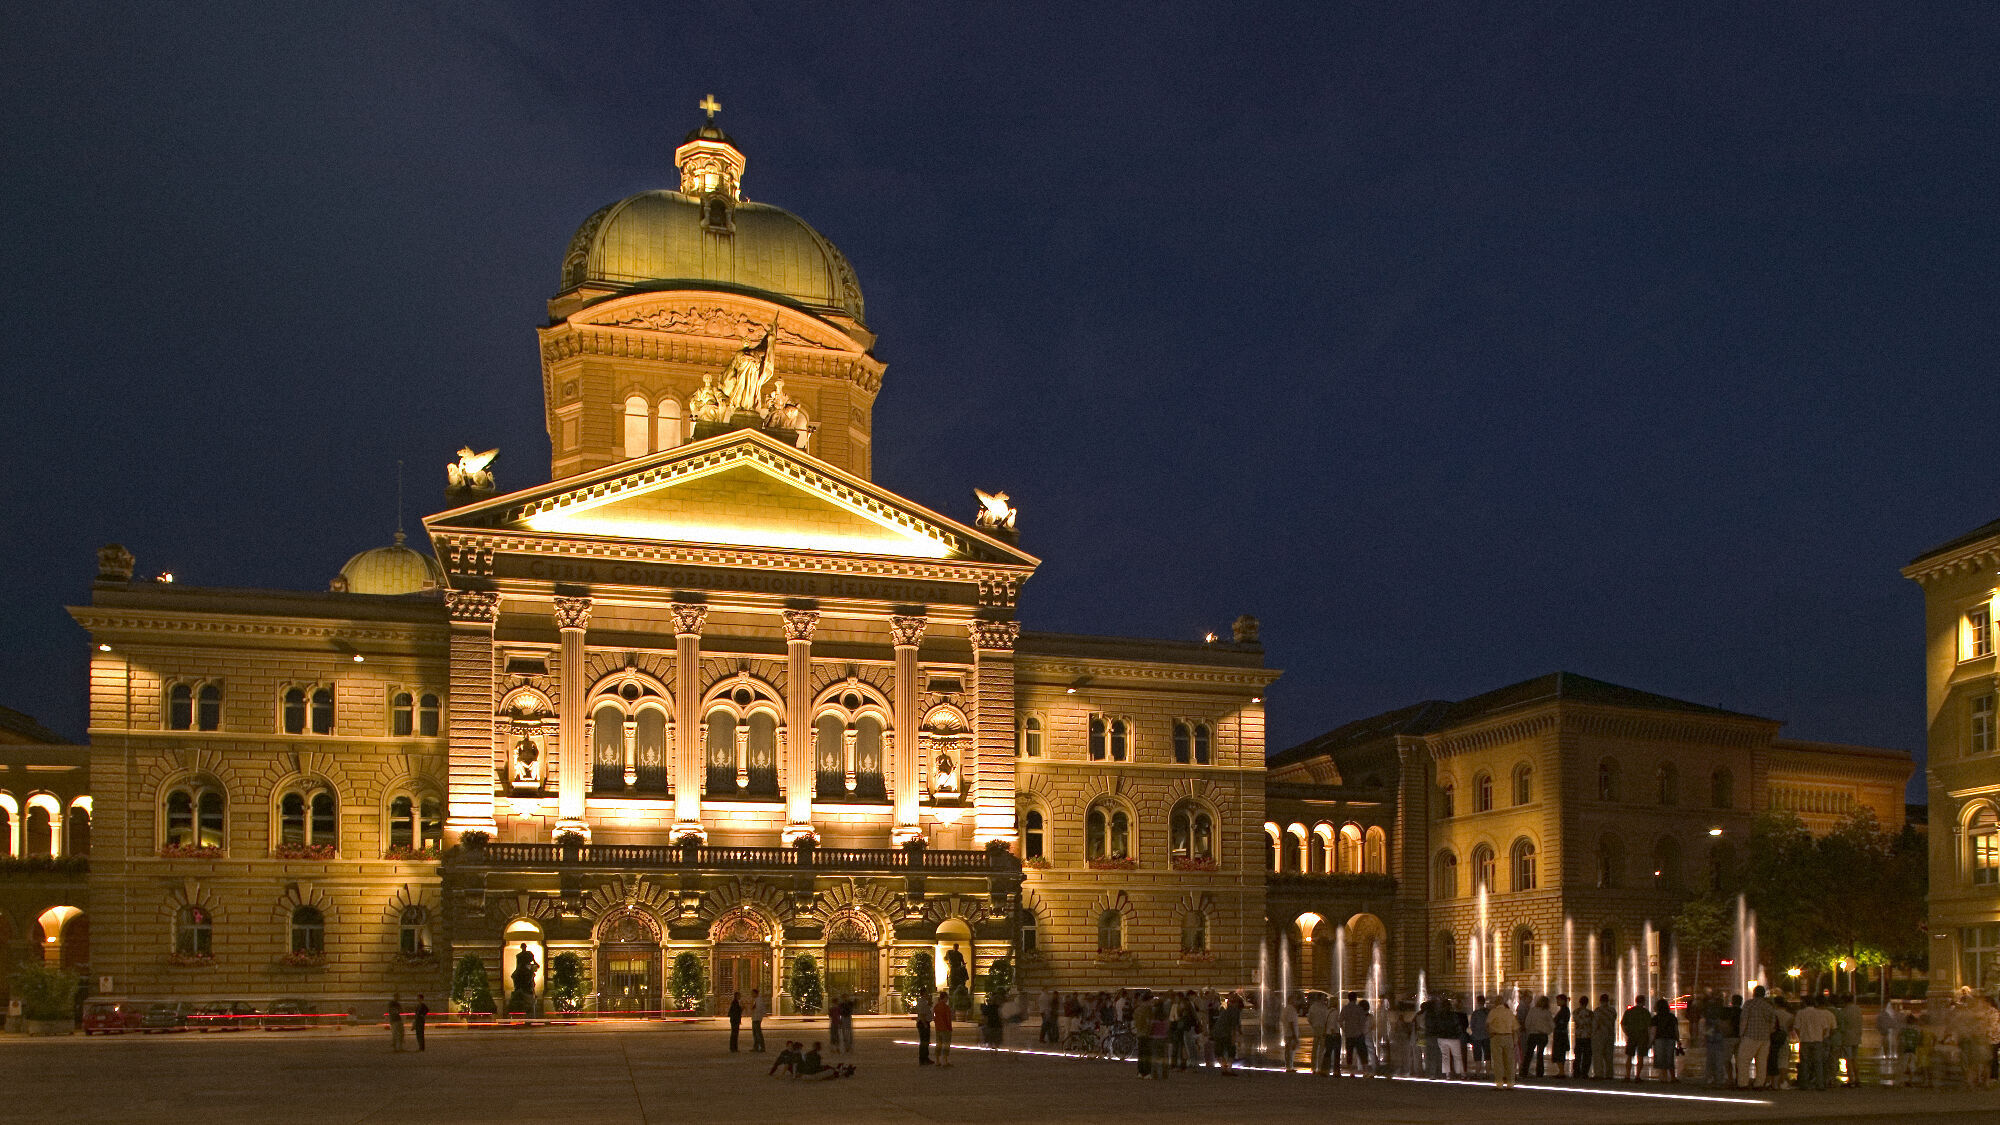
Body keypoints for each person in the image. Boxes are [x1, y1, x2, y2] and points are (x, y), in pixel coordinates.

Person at [1736, 986, 1775, 1088]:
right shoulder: (1768, 1006)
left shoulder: (1749, 1004)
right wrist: (1768, 1033)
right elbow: (1772, 1023)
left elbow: (1744, 1020)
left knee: (1743, 1060)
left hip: (1750, 1035)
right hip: (1765, 1038)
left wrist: (1741, 1034)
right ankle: (1759, 1084)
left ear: (1754, 993)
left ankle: (1743, 1083)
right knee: (1762, 1062)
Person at [1487, 995, 1519, 1088]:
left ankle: (1499, 1083)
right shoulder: (1509, 1012)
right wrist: (1515, 1039)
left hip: (1496, 1037)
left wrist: (1490, 1033)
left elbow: (1487, 1024)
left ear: (1496, 1003)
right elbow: (1516, 1028)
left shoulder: (1493, 1012)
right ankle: (1510, 1083)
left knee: (1498, 1061)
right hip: (1508, 1037)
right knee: (1509, 1061)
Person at [1338, 994, 1372, 1076]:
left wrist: (1344, 1029)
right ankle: (1365, 1072)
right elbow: (1363, 1021)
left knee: (1349, 1053)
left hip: (1349, 1034)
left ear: (1348, 999)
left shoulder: (1345, 1008)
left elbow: (1340, 1020)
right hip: (1358, 1034)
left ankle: (1351, 1072)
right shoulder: (1359, 1009)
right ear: (1356, 999)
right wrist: (1361, 1030)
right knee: (1362, 1053)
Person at [1835, 993, 1863, 1087]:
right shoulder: (1858, 1009)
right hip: (1857, 1036)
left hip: (1847, 1037)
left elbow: (1841, 1026)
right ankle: (1858, 1079)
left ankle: (1851, 1079)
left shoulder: (1844, 1011)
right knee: (1855, 1058)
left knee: (1848, 1059)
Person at [1622, 994, 1652, 1080]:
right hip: (1642, 1036)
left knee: (1629, 1056)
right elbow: (1649, 1027)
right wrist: (1650, 1040)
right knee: (1640, 1056)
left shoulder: (1629, 1011)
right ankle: (1637, 1076)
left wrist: (1627, 1033)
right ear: (1643, 1002)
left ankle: (1627, 1075)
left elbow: (1623, 1025)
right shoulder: (1646, 1012)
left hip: (1632, 1036)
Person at [1522, 995, 1553, 1078]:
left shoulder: (1532, 1011)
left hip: (1533, 1034)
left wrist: (1529, 1030)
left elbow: (1527, 1022)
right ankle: (1539, 1072)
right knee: (1540, 1054)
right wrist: (1547, 1031)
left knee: (1529, 1053)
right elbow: (1552, 1025)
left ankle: (1524, 1071)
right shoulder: (1547, 1012)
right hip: (1542, 1035)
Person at [1651, 997, 1679, 1082]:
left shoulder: (1655, 1018)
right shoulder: (1672, 1017)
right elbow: (1676, 1029)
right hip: (1670, 1039)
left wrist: (1650, 1042)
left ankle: (1664, 1077)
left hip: (1659, 1039)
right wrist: (1678, 1040)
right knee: (1670, 1058)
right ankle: (1673, 1077)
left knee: (1661, 1058)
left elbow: (1653, 1031)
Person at [1591, 994, 1618, 1079]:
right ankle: (1609, 1074)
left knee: (1598, 1055)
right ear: (1608, 1001)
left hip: (1599, 1035)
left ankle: (1599, 1074)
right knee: (1609, 1056)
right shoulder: (1612, 1011)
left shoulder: (1598, 1011)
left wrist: (1592, 1033)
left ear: (1600, 1001)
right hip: (1610, 1034)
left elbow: (1595, 1024)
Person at [1573, 996, 1593, 1081]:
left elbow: (1577, 1021)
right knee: (1587, 1055)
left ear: (1579, 1002)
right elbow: (1592, 1023)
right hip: (1588, 1036)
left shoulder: (1576, 1012)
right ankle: (1585, 1072)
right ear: (1587, 1003)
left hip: (1579, 1036)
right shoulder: (1590, 1013)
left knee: (1578, 1055)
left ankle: (1576, 1072)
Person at [933, 991, 955, 1067]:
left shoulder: (936, 1006)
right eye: (947, 997)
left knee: (938, 1044)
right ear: (945, 998)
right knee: (946, 1044)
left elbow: (934, 1017)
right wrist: (949, 1027)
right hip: (945, 1028)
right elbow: (948, 1019)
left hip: (938, 1028)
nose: (947, 999)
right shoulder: (946, 1007)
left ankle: (937, 1060)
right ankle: (945, 1061)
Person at [1551, 994, 1571, 1078]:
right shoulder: (1564, 1010)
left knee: (1559, 1052)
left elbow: (1560, 1022)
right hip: (1561, 1034)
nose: (1557, 1002)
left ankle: (1562, 1072)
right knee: (1560, 1052)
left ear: (1563, 1001)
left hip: (1560, 1035)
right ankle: (1561, 1071)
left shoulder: (1564, 1010)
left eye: (1558, 1000)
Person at [915, 993, 934, 1065]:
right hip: (923, 1023)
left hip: (923, 1023)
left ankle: (924, 1058)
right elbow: (922, 1015)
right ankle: (923, 1059)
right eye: (927, 993)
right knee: (924, 1042)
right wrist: (925, 1025)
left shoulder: (923, 1002)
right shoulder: (922, 1002)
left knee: (925, 1041)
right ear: (924, 994)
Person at [749, 988, 768, 1052]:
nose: (751, 994)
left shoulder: (759, 1000)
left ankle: (762, 1047)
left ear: (756, 993)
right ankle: (756, 1047)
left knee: (758, 1033)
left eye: (752, 993)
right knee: (755, 1033)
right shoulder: (755, 1000)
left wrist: (752, 1009)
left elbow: (758, 1009)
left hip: (757, 1018)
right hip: (755, 1018)